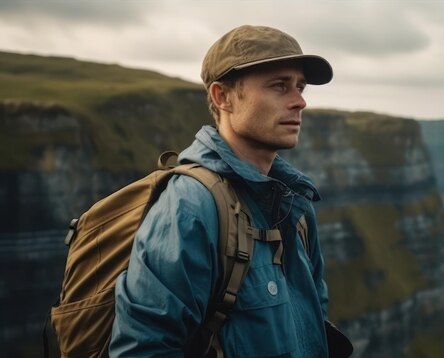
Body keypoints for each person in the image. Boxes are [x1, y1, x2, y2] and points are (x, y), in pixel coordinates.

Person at [109, 25, 335, 357]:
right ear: (222, 96)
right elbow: (143, 349)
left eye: (300, 87)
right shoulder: (190, 206)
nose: (299, 101)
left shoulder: (296, 204)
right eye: (279, 86)